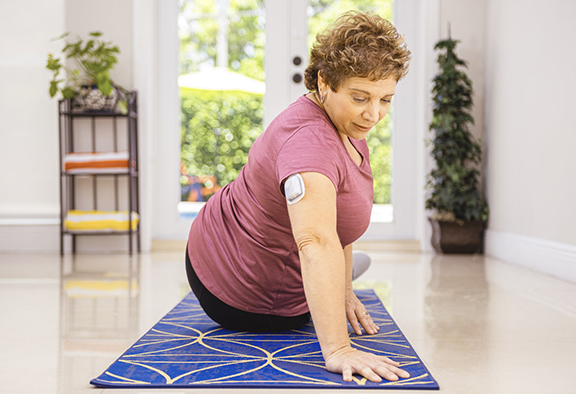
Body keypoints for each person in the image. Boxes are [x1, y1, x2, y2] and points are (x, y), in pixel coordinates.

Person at [186, 10, 411, 383]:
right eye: (360, 97)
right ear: (325, 82)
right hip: (237, 292)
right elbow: (316, 240)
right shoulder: (310, 144)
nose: (374, 114)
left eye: (385, 99)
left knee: (337, 267)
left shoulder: (344, 120)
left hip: (231, 246)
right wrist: (338, 349)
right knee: (315, 267)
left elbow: (339, 218)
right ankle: (338, 275)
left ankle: (344, 274)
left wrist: (344, 290)